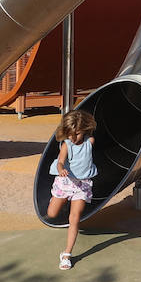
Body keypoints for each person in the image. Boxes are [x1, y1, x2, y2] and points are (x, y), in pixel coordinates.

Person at [46, 109, 97, 270]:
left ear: (85, 130)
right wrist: (61, 169)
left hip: (82, 185)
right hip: (65, 183)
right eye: (70, 134)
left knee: (74, 218)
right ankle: (59, 201)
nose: (74, 138)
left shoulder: (90, 142)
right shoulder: (67, 145)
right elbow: (61, 161)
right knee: (52, 214)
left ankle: (67, 254)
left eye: (78, 133)